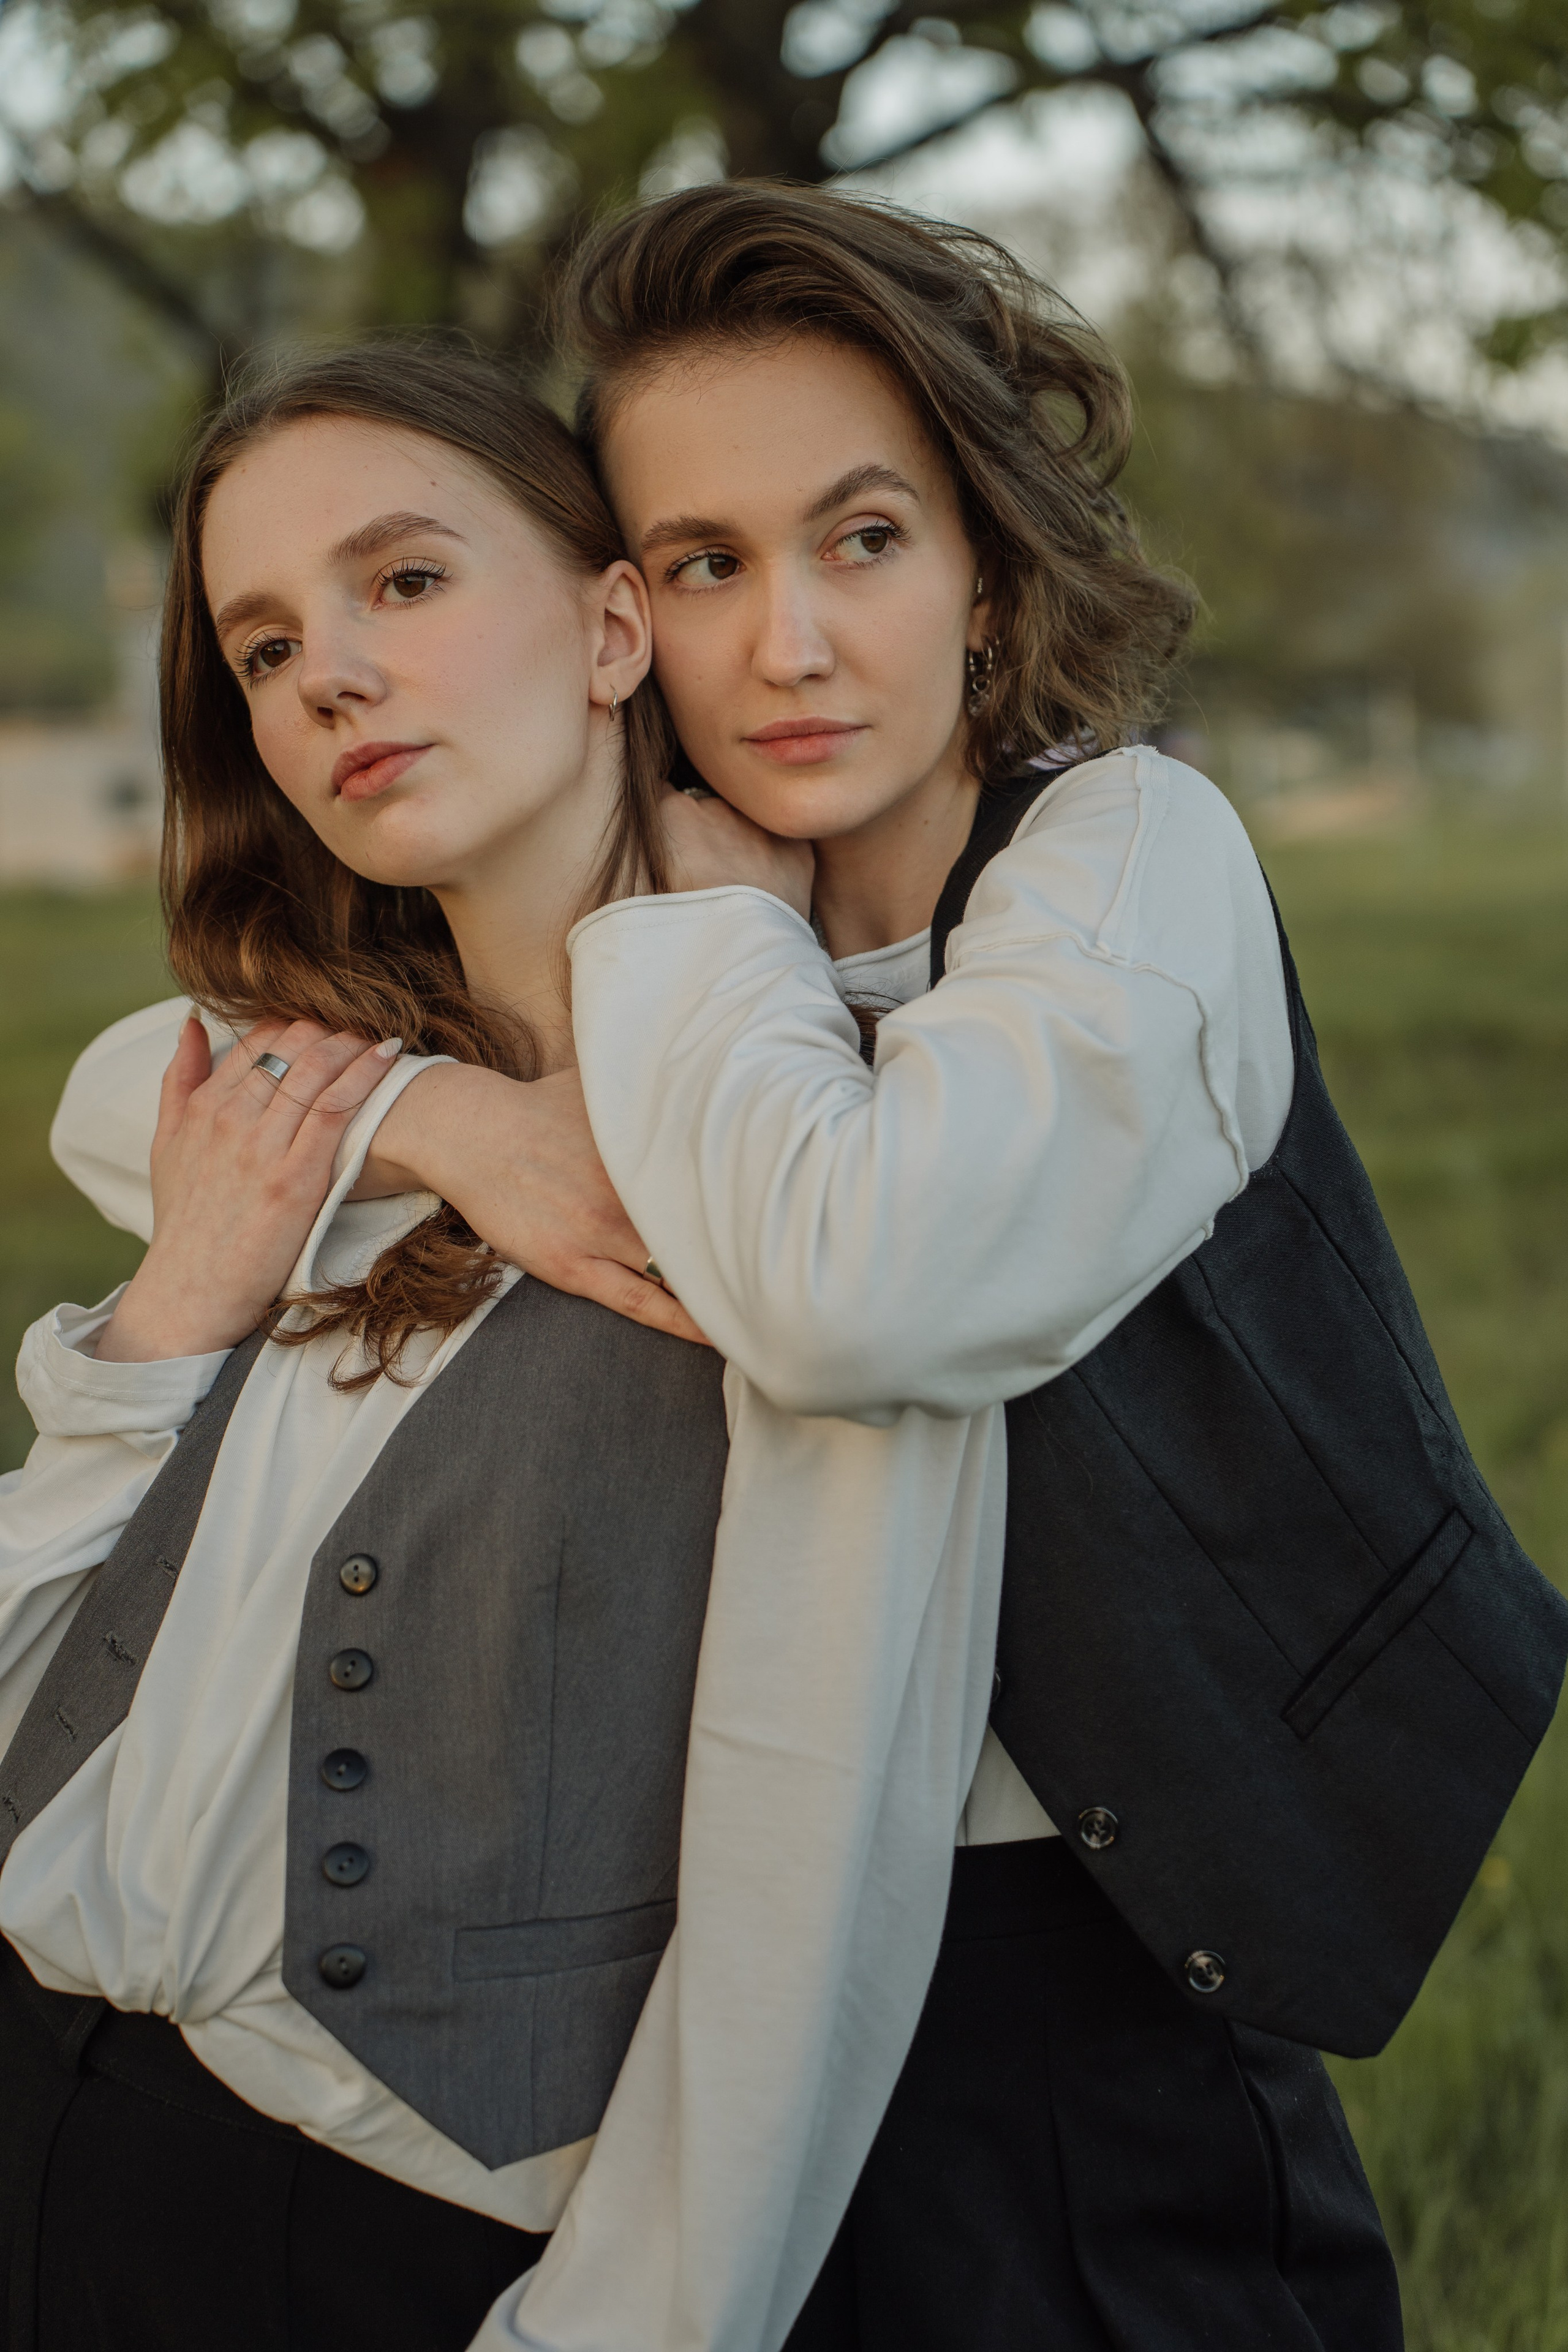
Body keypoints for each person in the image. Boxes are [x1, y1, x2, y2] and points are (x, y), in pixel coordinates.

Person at [355, 185, 1568, 2348]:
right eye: (708, 565)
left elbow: (861, 1294)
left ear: (990, 577)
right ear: (621, 617)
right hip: (699, 1933)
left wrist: (703, 924)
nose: (790, 647)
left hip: (1090, 1944)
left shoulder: (1128, 856)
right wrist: (437, 1112)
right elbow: (164, 1077)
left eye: (865, 541)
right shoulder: (604, 887)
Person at [2, 342, 1005, 2352]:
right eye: (267, 645)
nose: (329, 682)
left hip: (391, 2231)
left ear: (620, 623)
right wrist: (338, 1176)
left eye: (406, 583)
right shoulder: (295, 1104)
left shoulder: (806, 1181)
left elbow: (812, 1884)